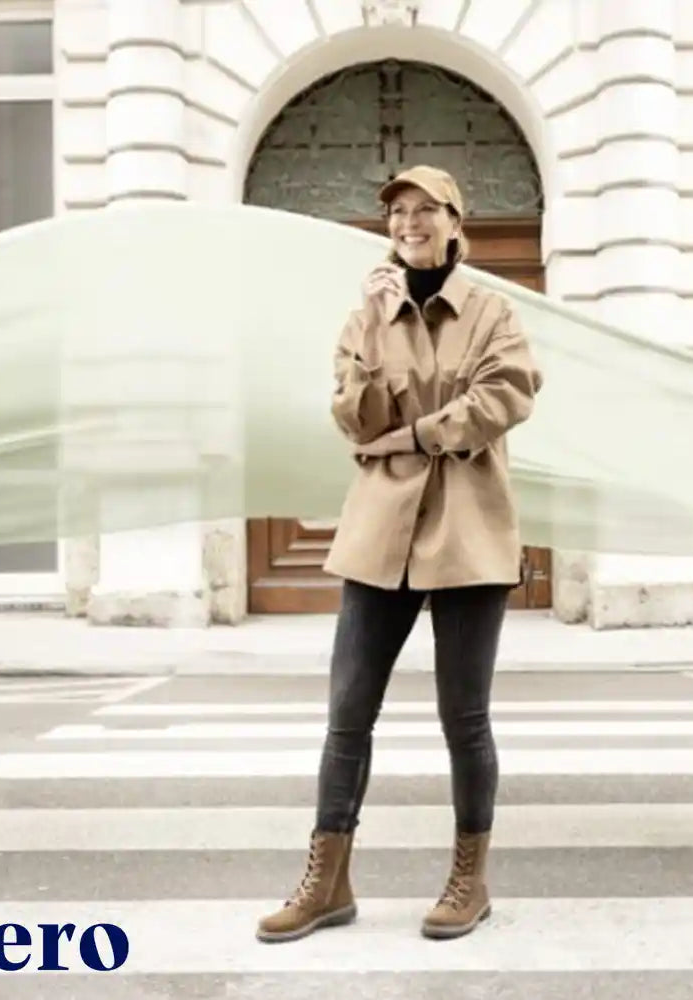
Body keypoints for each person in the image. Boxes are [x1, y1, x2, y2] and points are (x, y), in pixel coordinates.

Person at [255, 164, 543, 943]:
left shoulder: (492, 312)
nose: (408, 222)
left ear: (455, 222)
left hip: (469, 533)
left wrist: (410, 436)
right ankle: (327, 882)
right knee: (347, 713)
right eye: (397, 212)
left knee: (464, 717)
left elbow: (500, 400)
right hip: (380, 533)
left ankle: (469, 880)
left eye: (425, 209)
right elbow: (356, 419)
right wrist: (380, 332)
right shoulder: (365, 318)